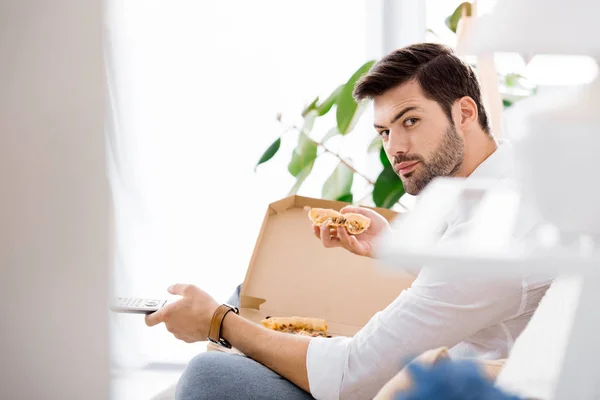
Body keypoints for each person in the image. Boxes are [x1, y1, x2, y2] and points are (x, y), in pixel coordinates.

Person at [144, 43, 552, 400]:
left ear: (464, 112)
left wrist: (218, 323)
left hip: (440, 386)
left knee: (210, 375)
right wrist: (390, 246)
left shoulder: (493, 231)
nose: (396, 148)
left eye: (410, 121)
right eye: (384, 132)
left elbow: (349, 378)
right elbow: (479, 284)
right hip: (446, 360)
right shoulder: (504, 180)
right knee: (241, 296)